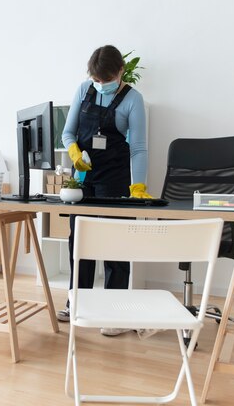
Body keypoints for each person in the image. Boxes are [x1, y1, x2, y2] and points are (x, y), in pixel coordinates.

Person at [57, 45, 151, 335]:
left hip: (116, 179)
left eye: (106, 80)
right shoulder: (84, 90)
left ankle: (115, 312)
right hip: (84, 178)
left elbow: (137, 148)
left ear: (120, 71)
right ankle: (78, 302)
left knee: (115, 244)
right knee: (80, 241)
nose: (100, 85)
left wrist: (138, 186)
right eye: (96, 80)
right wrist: (73, 154)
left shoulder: (133, 100)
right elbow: (68, 132)